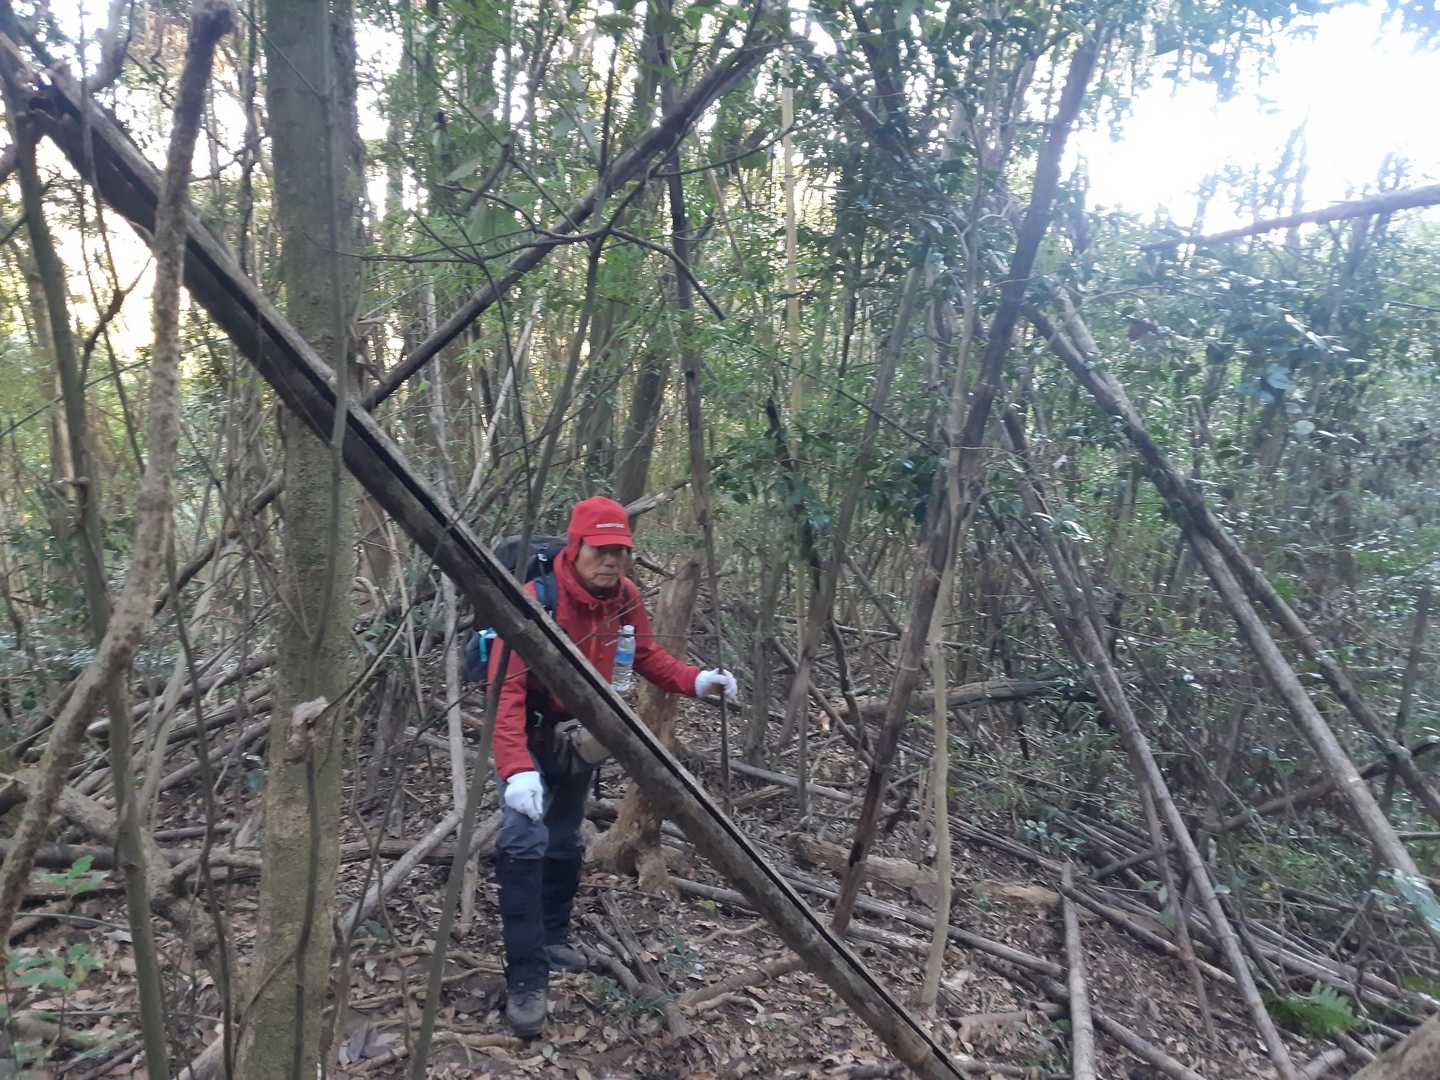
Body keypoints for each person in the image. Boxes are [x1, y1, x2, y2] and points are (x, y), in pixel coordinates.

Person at [488, 495, 737, 1037]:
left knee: (564, 839)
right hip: (527, 737)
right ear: (575, 547)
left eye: (620, 551)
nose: (611, 561)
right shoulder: (535, 599)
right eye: (600, 550)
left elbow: (645, 655)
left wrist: (696, 680)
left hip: (582, 736)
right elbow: (504, 690)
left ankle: (554, 937)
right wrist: (515, 769)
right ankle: (526, 976)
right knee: (522, 843)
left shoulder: (624, 597)